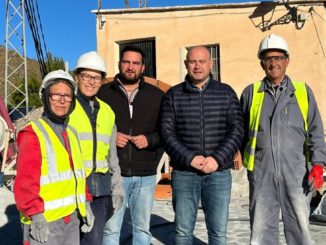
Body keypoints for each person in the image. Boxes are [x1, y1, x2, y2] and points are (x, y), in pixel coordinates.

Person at [241, 33, 326, 245]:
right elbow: (239, 130)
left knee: (299, 226)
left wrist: (318, 164)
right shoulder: (251, 93)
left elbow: (316, 129)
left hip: (296, 172)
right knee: (261, 229)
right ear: (262, 64)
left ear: (287, 61)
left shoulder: (302, 91)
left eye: (278, 58)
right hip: (262, 171)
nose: (274, 63)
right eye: (269, 59)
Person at [160, 46, 244, 245]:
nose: (197, 66)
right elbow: (166, 133)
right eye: (192, 62)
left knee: (218, 233)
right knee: (182, 232)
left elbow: (237, 129)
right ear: (186, 64)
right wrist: (190, 158)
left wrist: (217, 158)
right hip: (184, 173)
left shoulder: (226, 93)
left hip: (218, 173)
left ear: (211, 63)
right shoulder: (173, 94)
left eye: (202, 61)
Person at [14, 70, 94, 245]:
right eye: (56, 95)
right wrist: (35, 215)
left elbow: (78, 174)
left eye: (67, 96)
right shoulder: (33, 133)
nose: (63, 100)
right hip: (44, 223)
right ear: (46, 97)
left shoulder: (72, 133)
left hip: (71, 220)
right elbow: (25, 182)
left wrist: (86, 202)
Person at [97, 45, 164, 245]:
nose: (130, 67)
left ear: (143, 67)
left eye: (136, 63)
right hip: (114, 174)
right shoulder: (103, 94)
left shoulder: (156, 95)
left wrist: (149, 140)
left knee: (142, 230)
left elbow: (166, 131)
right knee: (110, 230)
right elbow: (92, 129)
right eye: (126, 62)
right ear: (119, 64)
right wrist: (112, 137)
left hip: (145, 175)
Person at [68, 51, 124, 245]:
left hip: (100, 190)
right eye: (86, 76)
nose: (91, 82)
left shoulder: (108, 112)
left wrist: (117, 188)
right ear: (77, 77)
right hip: (70, 189)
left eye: (97, 77)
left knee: (93, 241)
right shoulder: (65, 107)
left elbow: (112, 156)